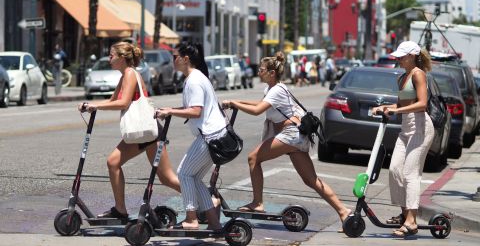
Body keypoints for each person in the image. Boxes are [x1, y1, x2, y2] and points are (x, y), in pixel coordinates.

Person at [222, 52, 351, 228]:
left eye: (261, 70)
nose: (258, 72)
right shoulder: (273, 89)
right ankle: (343, 211)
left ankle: (257, 203)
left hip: (290, 134)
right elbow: (259, 103)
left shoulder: (276, 90)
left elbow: (257, 110)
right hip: (294, 136)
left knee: (253, 158)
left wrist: (235, 104)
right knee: (310, 180)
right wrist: (236, 100)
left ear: (271, 72)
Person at [78, 42, 180, 220]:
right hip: (141, 133)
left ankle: (207, 200)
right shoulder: (125, 75)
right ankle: (120, 210)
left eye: (112, 55)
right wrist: (90, 105)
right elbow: (111, 101)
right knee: (113, 162)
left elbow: (123, 102)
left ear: (122, 58)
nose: (109, 59)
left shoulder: (130, 74)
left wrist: (96, 106)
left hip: (148, 132)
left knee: (167, 178)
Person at [155, 42, 224, 231]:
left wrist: (170, 111)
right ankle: (215, 224)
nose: (173, 60)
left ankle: (191, 219)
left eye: (175, 56)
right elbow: (191, 109)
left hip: (210, 137)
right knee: (193, 178)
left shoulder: (194, 80)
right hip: (215, 136)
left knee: (184, 173)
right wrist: (169, 111)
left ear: (186, 59)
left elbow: (195, 111)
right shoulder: (194, 78)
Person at [372, 41, 434, 237]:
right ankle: (405, 214)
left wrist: (396, 109)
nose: (398, 59)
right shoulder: (402, 78)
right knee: (394, 169)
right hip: (406, 128)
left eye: (401, 56)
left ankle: (412, 221)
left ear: (413, 56)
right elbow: (401, 103)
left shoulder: (418, 74)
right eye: (397, 56)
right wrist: (386, 108)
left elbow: (422, 104)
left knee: (410, 173)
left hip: (421, 127)